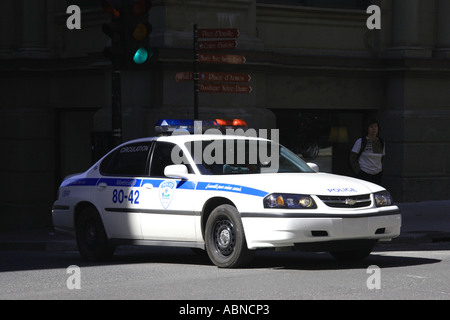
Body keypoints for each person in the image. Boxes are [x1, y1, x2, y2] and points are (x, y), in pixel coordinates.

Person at [350, 119, 385, 185]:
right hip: (364, 173)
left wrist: (381, 169)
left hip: (377, 174)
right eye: (371, 127)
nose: (374, 129)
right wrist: (358, 172)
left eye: (375, 126)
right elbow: (353, 158)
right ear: (367, 128)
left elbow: (382, 158)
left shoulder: (381, 142)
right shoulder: (361, 141)